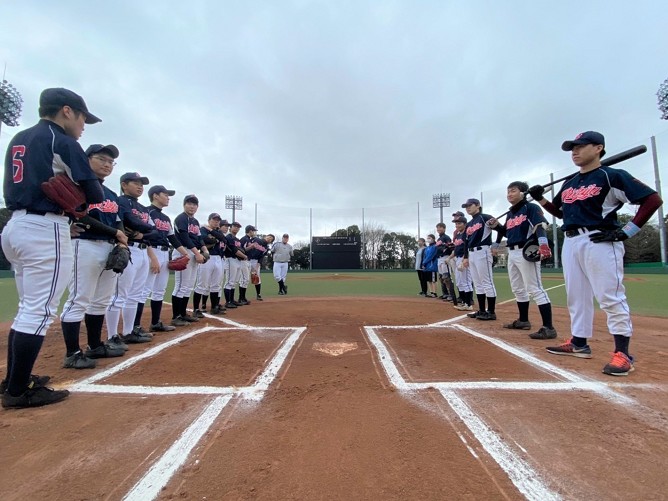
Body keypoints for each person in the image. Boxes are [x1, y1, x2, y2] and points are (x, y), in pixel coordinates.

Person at [2, 87, 105, 408]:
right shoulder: (62, 140)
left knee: (27, 308)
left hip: (15, 226)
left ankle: (12, 380)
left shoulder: (19, 137)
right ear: (66, 111)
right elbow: (95, 194)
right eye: (83, 117)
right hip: (45, 228)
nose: (84, 125)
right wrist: (80, 196)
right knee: (39, 310)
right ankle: (18, 390)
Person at [529, 131, 663, 376]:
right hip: (571, 241)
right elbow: (560, 213)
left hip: (599, 239)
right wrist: (541, 199)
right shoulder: (569, 183)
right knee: (576, 296)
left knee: (610, 296)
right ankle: (579, 343)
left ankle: (623, 353)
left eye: (581, 146)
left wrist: (626, 232)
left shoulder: (611, 176)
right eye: (572, 148)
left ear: (599, 147)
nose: (575, 151)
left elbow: (652, 200)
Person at [59, 144, 130, 371]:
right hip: (85, 245)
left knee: (101, 300)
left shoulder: (110, 195)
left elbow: (118, 219)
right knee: (79, 298)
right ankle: (72, 353)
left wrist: (120, 237)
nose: (107, 164)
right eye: (101, 159)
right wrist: (115, 233)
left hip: (109, 248)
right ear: (87, 159)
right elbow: (81, 216)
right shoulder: (77, 186)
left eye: (111, 162)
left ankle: (95, 345)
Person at [488, 181, 557, 339]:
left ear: (523, 193)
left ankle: (548, 327)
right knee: (518, 288)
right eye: (508, 191)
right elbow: (508, 233)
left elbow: (539, 226)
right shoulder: (511, 213)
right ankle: (523, 320)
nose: (509, 194)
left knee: (535, 288)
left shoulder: (531, 208)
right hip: (512, 252)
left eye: (513, 191)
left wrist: (543, 244)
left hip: (527, 251)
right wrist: (497, 226)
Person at [105, 172, 156, 344]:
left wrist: (142, 232)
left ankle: (128, 332)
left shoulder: (143, 208)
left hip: (142, 251)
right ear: (124, 184)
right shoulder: (120, 202)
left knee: (135, 294)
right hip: (128, 249)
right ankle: (112, 335)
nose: (140, 186)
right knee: (120, 294)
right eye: (135, 182)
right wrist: (143, 231)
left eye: (142, 183)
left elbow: (155, 232)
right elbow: (129, 220)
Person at [143, 185, 189, 330]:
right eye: (165, 194)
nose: (168, 197)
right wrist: (152, 257)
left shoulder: (165, 217)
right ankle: (134, 327)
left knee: (159, 290)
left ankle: (155, 323)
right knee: (144, 290)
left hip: (164, 253)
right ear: (155, 196)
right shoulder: (146, 212)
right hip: (150, 251)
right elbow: (143, 235)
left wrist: (185, 254)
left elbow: (172, 238)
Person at [172, 195, 207, 323]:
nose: (192, 206)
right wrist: (197, 253)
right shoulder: (181, 218)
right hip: (183, 251)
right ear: (184, 205)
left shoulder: (195, 221)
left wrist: (204, 250)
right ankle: (176, 316)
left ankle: (183, 313)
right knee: (181, 285)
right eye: (189, 203)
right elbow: (184, 237)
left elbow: (199, 238)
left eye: (194, 204)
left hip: (193, 252)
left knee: (188, 285)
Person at [461, 198, 498, 320]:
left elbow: (501, 229)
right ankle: (482, 310)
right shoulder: (469, 224)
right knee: (477, 283)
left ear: (478, 206)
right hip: (472, 254)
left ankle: (491, 312)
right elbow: (466, 242)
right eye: (466, 206)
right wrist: (466, 257)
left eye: (469, 205)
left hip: (483, 251)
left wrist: (496, 244)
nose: (467, 208)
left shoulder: (485, 217)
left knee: (487, 282)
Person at [193, 214, 228, 316]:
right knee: (202, 284)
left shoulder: (216, 231)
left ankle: (214, 307)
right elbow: (203, 239)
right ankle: (196, 309)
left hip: (218, 258)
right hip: (207, 257)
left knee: (216, 284)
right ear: (209, 220)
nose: (216, 222)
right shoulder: (203, 229)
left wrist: (213, 234)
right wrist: (215, 239)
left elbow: (223, 239)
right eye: (214, 220)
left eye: (218, 220)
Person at [223, 222, 249, 307]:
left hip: (238, 261)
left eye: (238, 227)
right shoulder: (228, 237)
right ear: (230, 227)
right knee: (229, 281)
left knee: (234, 282)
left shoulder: (237, 239)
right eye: (235, 226)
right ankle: (228, 302)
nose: (237, 228)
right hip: (230, 259)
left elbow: (242, 249)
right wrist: (244, 256)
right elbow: (234, 250)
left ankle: (232, 300)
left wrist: (243, 254)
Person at [451, 215, 475, 311]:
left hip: (464, 258)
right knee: (460, 282)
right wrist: (450, 258)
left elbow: (468, 247)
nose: (457, 225)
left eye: (459, 223)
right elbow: (456, 249)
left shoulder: (467, 233)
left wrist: (466, 258)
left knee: (466, 281)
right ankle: (464, 302)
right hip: (458, 258)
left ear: (465, 224)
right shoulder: (458, 235)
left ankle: (468, 304)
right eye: (456, 224)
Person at [247, 232, 275, 301]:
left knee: (256, 278)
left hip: (255, 262)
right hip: (247, 259)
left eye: (271, 239)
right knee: (244, 278)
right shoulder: (256, 239)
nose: (269, 239)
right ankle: (241, 297)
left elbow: (261, 257)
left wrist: (257, 265)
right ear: (266, 236)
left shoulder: (266, 248)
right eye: (269, 237)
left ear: (271, 242)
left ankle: (258, 294)